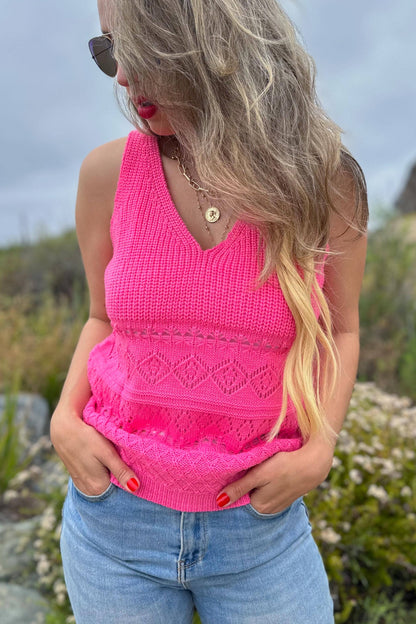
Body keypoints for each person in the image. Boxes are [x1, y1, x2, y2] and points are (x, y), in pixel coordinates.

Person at [50, 0, 368, 622]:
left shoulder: (321, 183)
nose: (120, 75)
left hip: (259, 532)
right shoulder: (106, 175)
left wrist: (318, 450)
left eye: (137, 46)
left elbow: (343, 328)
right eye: (107, 49)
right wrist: (63, 418)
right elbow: (102, 319)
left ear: (212, 40)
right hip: (113, 526)